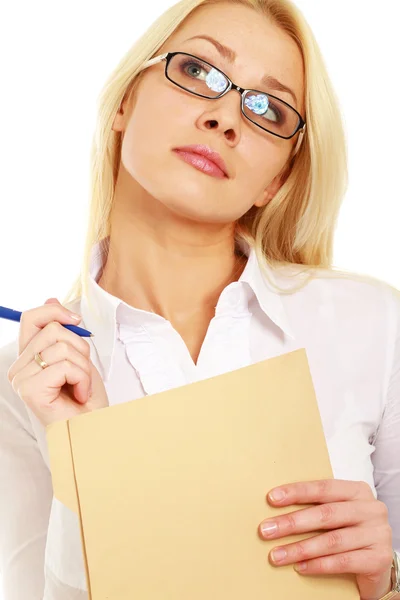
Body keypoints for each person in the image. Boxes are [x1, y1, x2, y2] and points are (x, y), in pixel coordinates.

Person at [0, 0, 399, 598]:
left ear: (276, 181)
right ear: (125, 103)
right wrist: (80, 456)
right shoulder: (27, 381)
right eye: (199, 72)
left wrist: (386, 580)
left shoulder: (374, 327)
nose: (226, 118)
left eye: (268, 107)